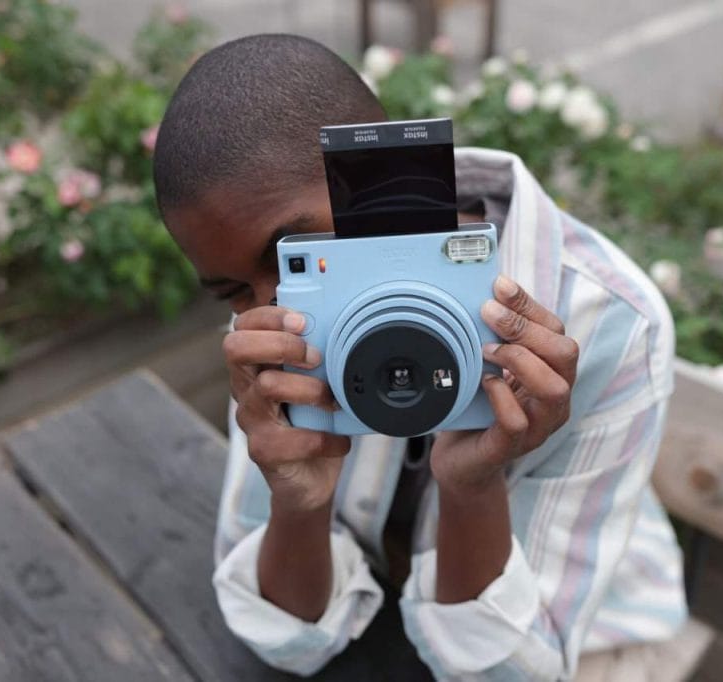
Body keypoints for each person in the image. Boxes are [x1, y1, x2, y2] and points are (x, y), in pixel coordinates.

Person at [153, 33, 687, 680]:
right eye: (237, 293)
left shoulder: (604, 323)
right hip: (398, 598)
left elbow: (516, 671)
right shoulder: (271, 322)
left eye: (303, 258)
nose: (282, 309)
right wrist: (298, 505)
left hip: (596, 636)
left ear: (391, 184)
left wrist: (472, 488)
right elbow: (286, 640)